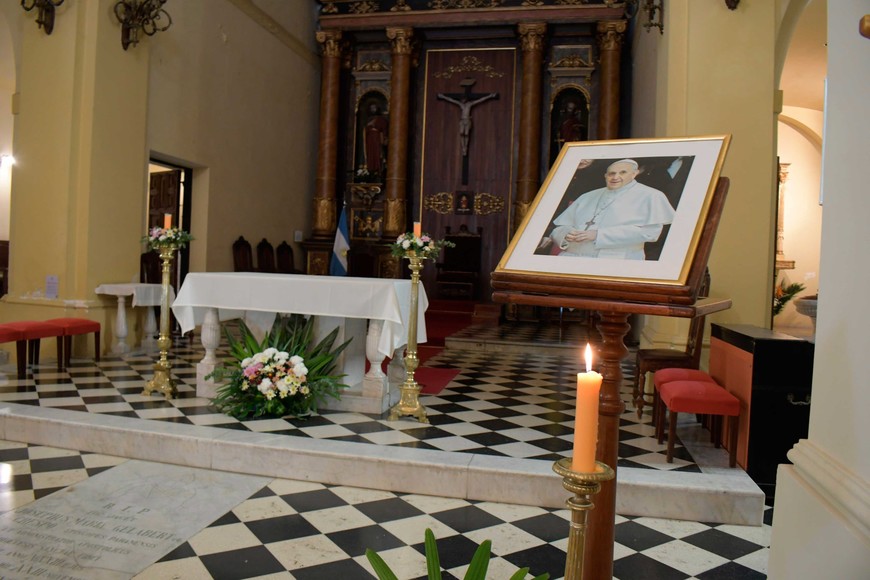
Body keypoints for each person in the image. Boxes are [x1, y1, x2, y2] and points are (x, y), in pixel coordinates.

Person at [548, 159, 676, 260]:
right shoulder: (587, 196)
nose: (615, 177)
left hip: (616, 261)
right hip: (572, 260)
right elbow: (559, 227)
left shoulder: (651, 196)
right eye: (612, 173)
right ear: (605, 175)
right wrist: (566, 233)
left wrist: (598, 235)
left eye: (623, 172)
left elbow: (650, 233)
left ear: (634, 173)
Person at [437, 91, 497, 156]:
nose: (462, 100)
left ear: (465, 99)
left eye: (463, 99)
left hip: (467, 120)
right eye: (461, 100)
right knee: (461, 133)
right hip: (462, 120)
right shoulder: (460, 104)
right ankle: (463, 147)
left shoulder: (469, 104)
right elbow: (451, 100)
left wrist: (490, 96)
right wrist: (443, 96)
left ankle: (466, 147)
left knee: (466, 134)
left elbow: (480, 100)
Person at [363, 102, 388, 176]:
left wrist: (384, 138)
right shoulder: (368, 120)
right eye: (371, 108)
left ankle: (378, 169)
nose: (373, 109)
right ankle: (370, 169)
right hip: (369, 140)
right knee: (370, 154)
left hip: (377, 139)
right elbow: (365, 130)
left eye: (374, 108)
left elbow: (384, 129)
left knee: (378, 153)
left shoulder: (381, 119)